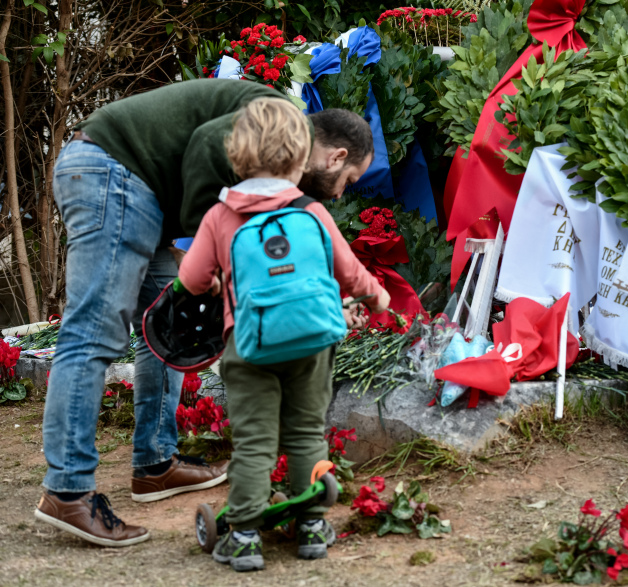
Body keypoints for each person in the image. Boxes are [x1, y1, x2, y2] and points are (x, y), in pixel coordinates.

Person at [35, 79, 379, 548]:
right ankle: (67, 490)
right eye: (349, 180)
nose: (340, 194)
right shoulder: (282, 120)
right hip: (114, 172)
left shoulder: (276, 152)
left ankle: (155, 464)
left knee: (172, 324)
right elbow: (204, 144)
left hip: (139, 189)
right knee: (93, 332)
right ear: (336, 157)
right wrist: (211, 244)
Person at [177, 98, 388, 571]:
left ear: (236, 154)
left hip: (248, 346)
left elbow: (191, 280)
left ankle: (246, 535)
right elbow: (351, 272)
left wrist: (213, 281)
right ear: (300, 157)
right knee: (307, 431)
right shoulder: (311, 212)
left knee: (254, 441)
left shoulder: (221, 216)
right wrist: (378, 298)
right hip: (313, 344)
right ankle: (312, 525)